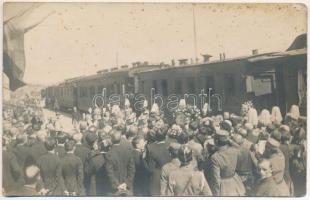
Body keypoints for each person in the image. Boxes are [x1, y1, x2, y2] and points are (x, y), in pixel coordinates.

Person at [205, 129, 245, 196]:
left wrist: (216, 195)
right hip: (235, 180)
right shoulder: (234, 150)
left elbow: (216, 179)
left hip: (224, 185)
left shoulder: (215, 157)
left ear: (216, 141)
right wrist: (229, 141)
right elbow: (241, 149)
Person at [105, 129, 135, 196]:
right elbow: (132, 169)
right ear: (121, 139)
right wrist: (127, 183)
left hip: (115, 189)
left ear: (112, 140)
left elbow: (109, 172)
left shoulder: (109, 154)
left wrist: (117, 185)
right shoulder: (128, 151)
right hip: (127, 187)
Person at [144, 126, 171, 196]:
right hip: (170, 175)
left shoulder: (150, 147)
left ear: (155, 136)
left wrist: (143, 160)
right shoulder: (170, 145)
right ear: (165, 136)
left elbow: (150, 168)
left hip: (157, 178)